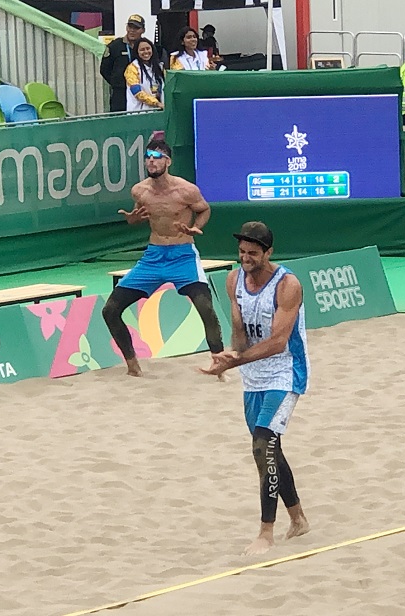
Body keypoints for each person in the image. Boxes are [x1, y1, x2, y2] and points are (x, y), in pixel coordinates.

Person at [200, 221, 310, 556]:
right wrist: (229, 356)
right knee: (270, 448)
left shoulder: (287, 284)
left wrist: (236, 361)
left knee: (263, 445)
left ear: (268, 252)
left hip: (284, 372)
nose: (246, 258)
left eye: (253, 253)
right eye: (242, 252)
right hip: (252, 375)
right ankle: (299, 519)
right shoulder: (233, 279)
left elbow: (278, 342)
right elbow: (240, 332)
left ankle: (266, 532)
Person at [101, 138, 224, 377]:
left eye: (156, 157)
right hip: (154, 256)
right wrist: (132, 220)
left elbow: (204, 209)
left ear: (168, 161)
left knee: (205, 307)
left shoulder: (186, 190)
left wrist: (196, 227)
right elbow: (139, 217)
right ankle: (133, 366)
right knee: (110, 310)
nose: (151, 161)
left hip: (183, 255)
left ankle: (219, 363)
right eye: (148, 157)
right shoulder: (140, 190)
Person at [100, 14, 145, 112]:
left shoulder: (145, 47)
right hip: (120, 93)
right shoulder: (115, 46)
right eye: (130, 27)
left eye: (136, 28)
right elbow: (104, 69)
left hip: (142, 92)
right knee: (118, 122)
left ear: (143, 30)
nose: (132, 30)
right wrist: (117, 83)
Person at [124, 37, 164, 112]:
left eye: (148, 48)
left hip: (158, 112)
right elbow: (137, 92)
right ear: (137, 52)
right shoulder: (132, 68)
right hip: (139, 113)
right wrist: (156, 103)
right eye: (142, 50)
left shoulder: (159, 67)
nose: (146, 52)